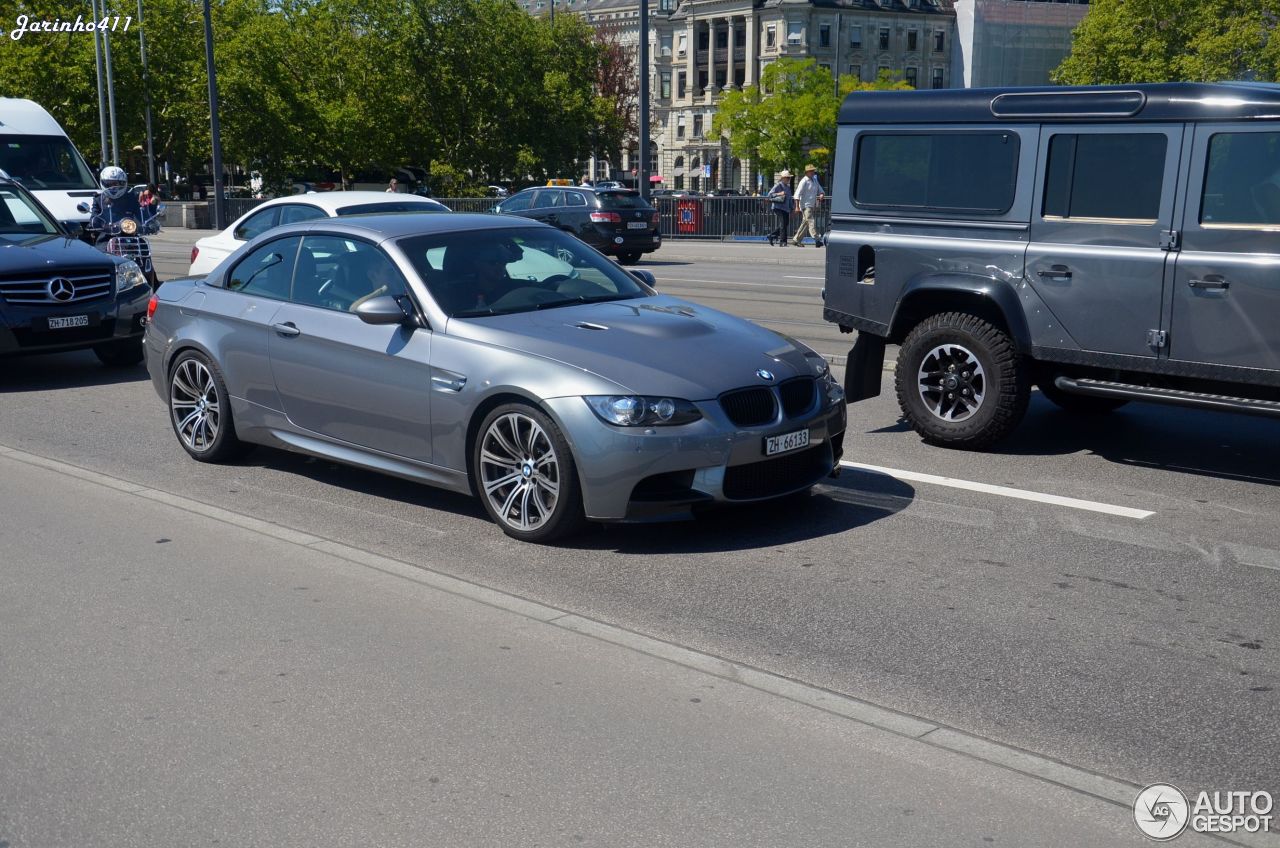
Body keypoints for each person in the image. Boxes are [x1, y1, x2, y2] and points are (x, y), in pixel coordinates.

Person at [792, 164, 826, 247]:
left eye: (813, 170)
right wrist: (797, 207)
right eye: (811, 171)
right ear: (807, 172)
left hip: (811, 205)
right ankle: (817, 239)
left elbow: (820, 189)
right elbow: (797, 194)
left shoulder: (814, 180)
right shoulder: (803, 181)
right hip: (805, 205)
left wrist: (821, 194)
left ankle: (796, 239)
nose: (813, 172)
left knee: (806, 223)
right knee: (811, 221)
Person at [765, 170, 793, 247]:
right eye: (787, 178)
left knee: (785, 224)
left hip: (786, 208)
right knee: (783, 223)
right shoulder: (778, 185)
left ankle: (772, 235)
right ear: (783, 178)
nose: (788, 179)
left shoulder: (788, 188)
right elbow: (769, 195)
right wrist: (779, 193)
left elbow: (790, 199)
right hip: (778, 207)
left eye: (789, 178)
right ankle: (783, 242)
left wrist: (792, 208)